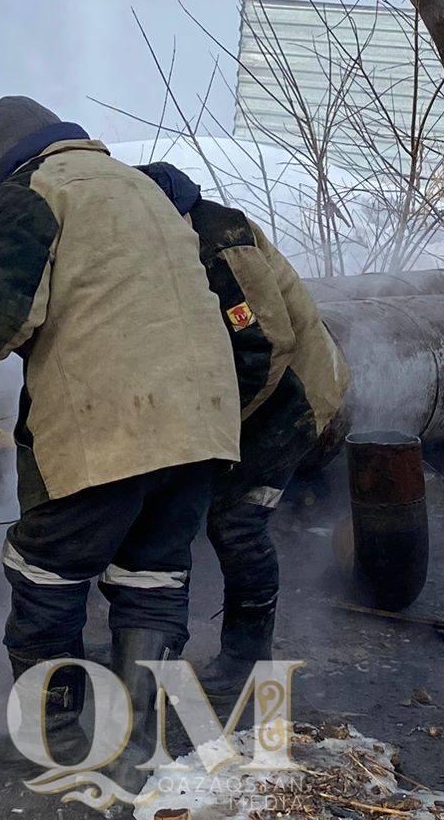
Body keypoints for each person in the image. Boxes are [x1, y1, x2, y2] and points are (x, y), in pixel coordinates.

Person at [0, 97, 240, 788]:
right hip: (204, 417)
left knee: (42, 570)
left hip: (115, 418)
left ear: (6, 165)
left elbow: (3, 309)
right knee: (150, 577)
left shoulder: (34, 190)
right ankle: (132, 748)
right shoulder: (140, 186)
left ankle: (52, 738)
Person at [136, 162, 351, 700]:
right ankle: (157, 648)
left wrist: (218, 425)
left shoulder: (221, 242)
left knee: (237, 520)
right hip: (246, 397)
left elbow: (266, 344)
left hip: (289, 398)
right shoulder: (175, 239)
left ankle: (247, 660)